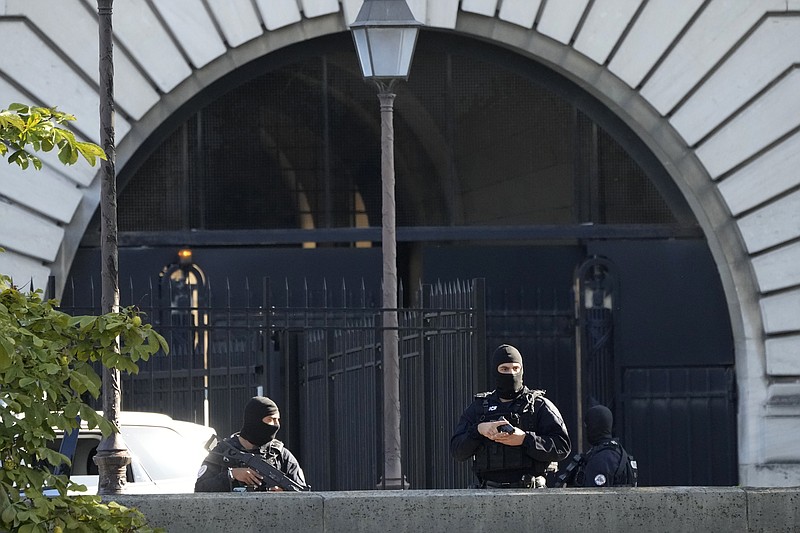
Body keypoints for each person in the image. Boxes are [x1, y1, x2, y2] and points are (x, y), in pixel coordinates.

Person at [450, 344, 571, 488]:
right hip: (488, 495)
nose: (511, 374)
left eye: (515, 368)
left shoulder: (539, 406)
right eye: (504, 369)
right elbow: (457, 451)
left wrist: (525, 439)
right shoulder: (478, 409)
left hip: (530, 494)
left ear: (522, 370)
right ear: (496, 371)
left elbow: (562, 447)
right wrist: (479, 430)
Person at [195, 396, 308, 492]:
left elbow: (304, 495)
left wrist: (285, 495)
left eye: (277, 420)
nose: (276, 425)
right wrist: (231, 475)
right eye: (270, 419)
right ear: (255, 420)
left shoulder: (281, 455)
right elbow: (200, 489)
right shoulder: (223, 451)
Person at [555, 404, 637, 487]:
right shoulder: (619, 453)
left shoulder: (602, 459)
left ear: (592, 427)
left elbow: (595, 497)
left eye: (587, 426)